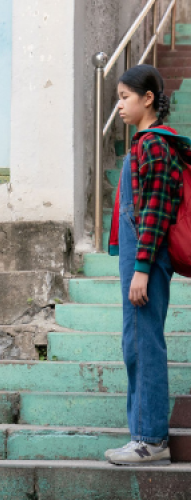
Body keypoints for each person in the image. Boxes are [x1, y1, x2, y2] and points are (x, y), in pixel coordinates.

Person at [105, 64, 191, 466]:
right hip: (142, 256)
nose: (119, 105)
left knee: (143, 344)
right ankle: (144, 434)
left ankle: (150, 439)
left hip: (147, 257)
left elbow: (156, 210)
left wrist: (141, 267)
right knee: (136, 343)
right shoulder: (143, 144)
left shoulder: (154, 145)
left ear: (148, 98)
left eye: (125, 97)